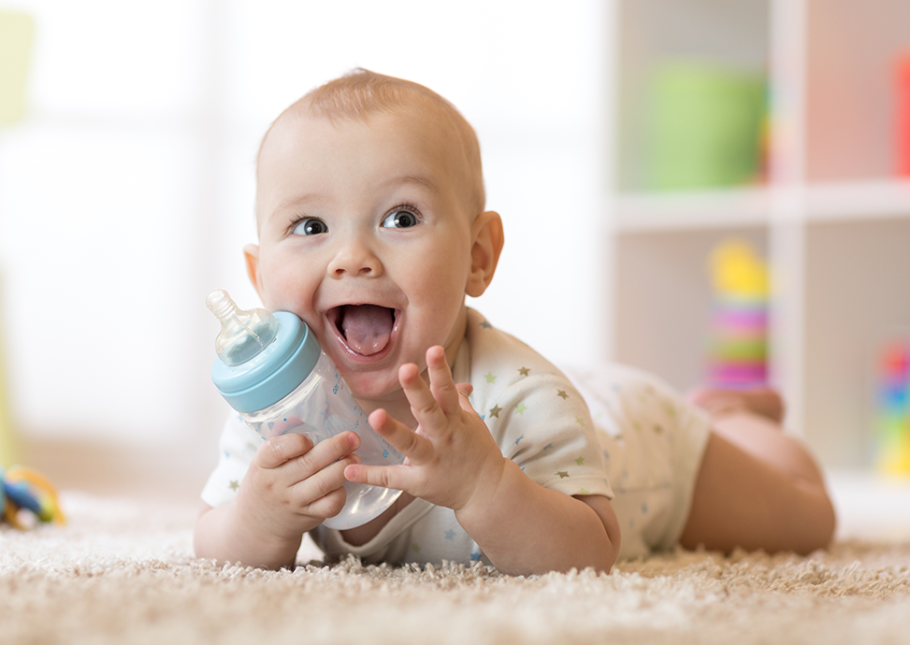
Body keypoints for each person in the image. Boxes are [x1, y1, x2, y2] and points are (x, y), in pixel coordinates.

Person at [194, 69, 835, 575]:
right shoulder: (281, 412)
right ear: (258, 278)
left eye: (401, 218)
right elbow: (215, 539)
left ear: (478, 258)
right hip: (587, 402)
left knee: (807, 520)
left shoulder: (521, 395)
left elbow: (590, 552)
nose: (353, 258)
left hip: (640, 441)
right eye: (309, 227)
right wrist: (259, 516)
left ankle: (730, 418)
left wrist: (484, 485)